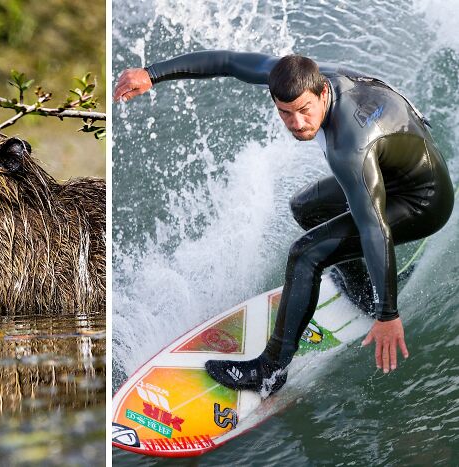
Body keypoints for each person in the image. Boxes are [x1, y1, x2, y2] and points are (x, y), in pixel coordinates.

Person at [113, 51, 454, 395]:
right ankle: (362, 290)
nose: (297, 123)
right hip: (392, 166)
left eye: (305, 111)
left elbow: (373, 227)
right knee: (305, 208)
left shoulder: (347, 147)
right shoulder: (298, 77)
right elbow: (228, 62)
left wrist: (388, 315)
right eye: (285, 113)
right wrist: (152, 74)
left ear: (323, 93)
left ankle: (269, 370)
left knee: (306, 254)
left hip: (422, 199)